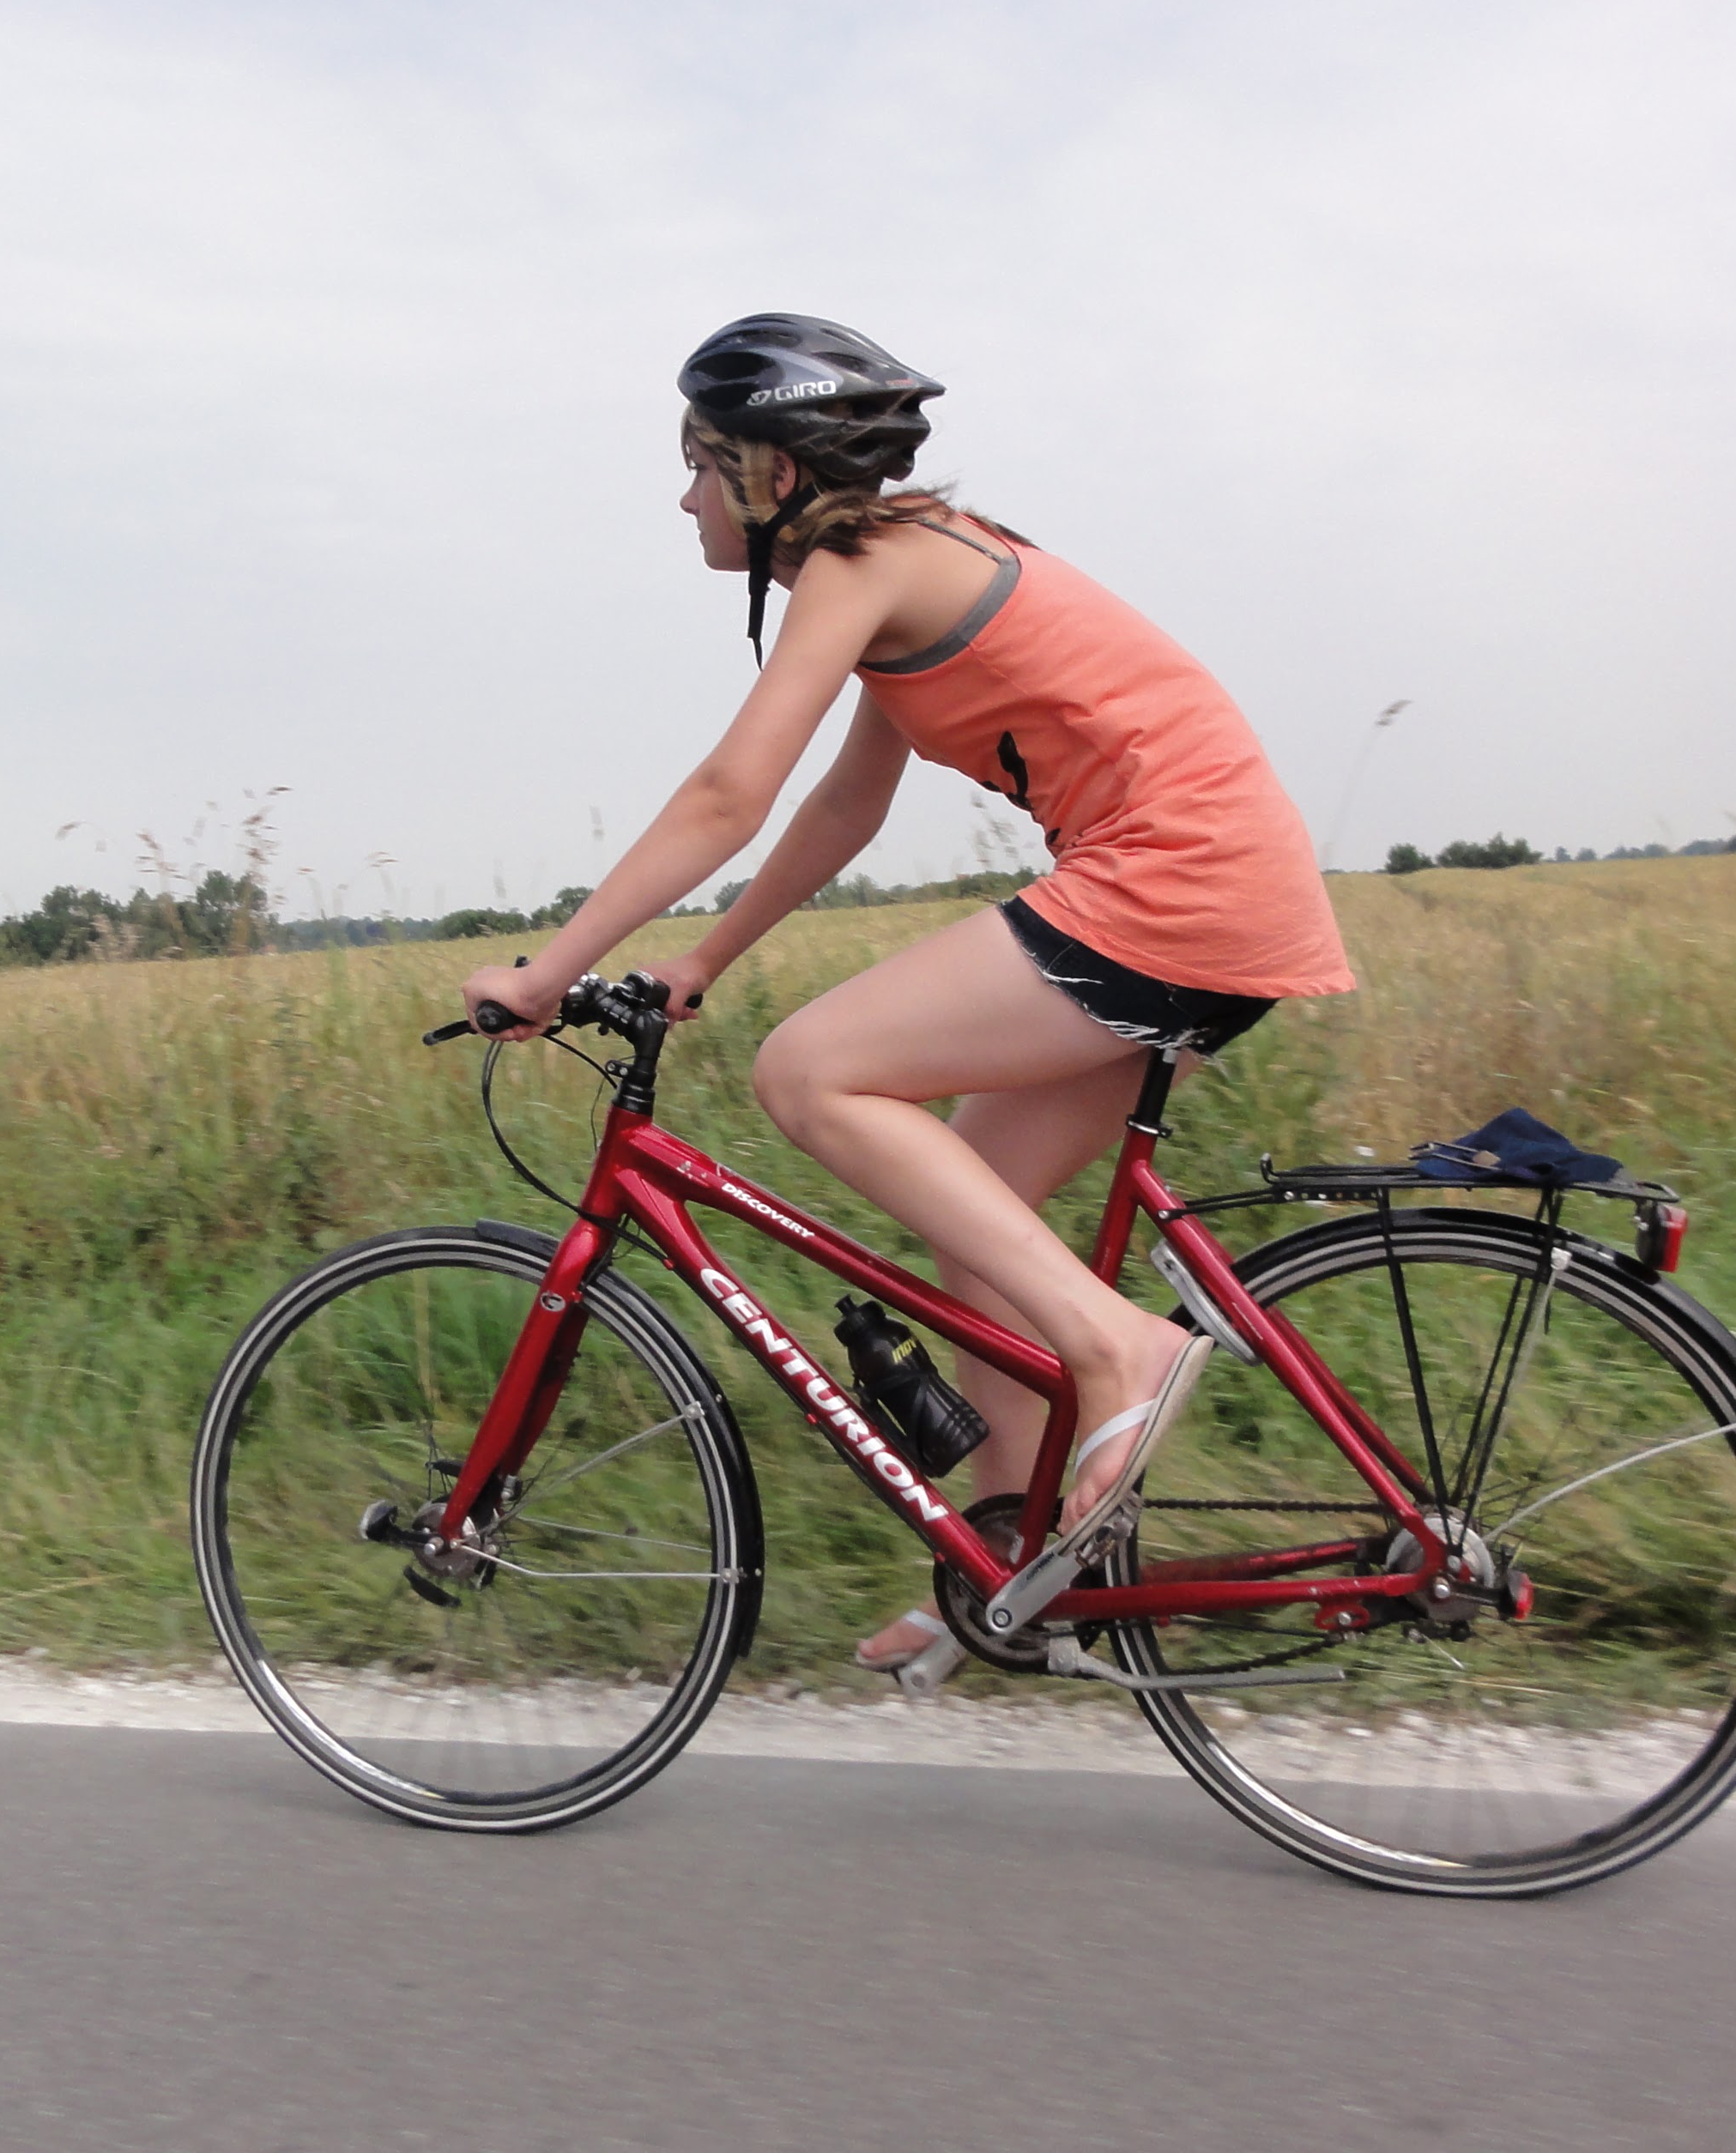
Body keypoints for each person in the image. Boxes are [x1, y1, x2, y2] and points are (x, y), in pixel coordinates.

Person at [462, 313, 1352, 1676]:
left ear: (774, 472)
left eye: (701, 461)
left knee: (808, 1072)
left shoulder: (857, 560)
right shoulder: (915, 564)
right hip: (1216, 887)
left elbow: (729, 793)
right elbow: (841, 810)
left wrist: (549, 969)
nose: (683, 493)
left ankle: (1125, 1352)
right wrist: (705, 959)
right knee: (979, 1228)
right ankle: (1013, 1569)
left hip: (1172, 882)